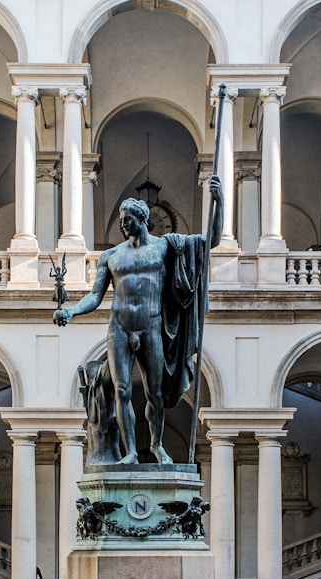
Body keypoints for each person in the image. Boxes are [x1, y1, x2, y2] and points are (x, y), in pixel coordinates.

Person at [54, 177, 224, 464]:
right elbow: (96, 296)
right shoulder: (111, 256)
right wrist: (71, 311)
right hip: (118, 327)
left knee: (154, 394)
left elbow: (211, 242)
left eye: (127, 219)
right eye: (121, 220)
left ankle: (157, 445)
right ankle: (131, 451)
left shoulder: (165, 247)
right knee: (121, 390)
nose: (123, 225)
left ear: (142, 218)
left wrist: (218, 204)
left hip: (152, 325)